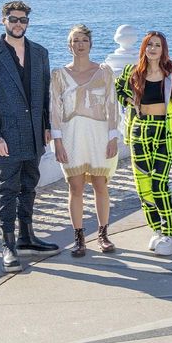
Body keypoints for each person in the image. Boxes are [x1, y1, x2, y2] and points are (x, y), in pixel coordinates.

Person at [0, 0, 59, 272]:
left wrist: (46, 125)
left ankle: (27, 237)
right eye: (13, 19)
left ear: (28, 22)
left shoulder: (40, 53)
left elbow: (45, 94)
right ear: (3, 21)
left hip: (35, 134)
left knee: (30, 186)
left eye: (23, 20)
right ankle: (8, 245)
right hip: (7, 138)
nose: (18, 24)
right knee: (8, 190)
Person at [50, 24, 119, 257]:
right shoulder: (59, 75)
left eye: (83, 40)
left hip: (99, 136)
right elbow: (54, 111)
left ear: (90, 44)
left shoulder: (104, 72)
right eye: (75, 40)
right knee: (75, 187)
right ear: (69, 45)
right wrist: (57, 142)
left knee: (101, 185)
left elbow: (112, 106)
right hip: (71, 137)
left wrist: (113, 138)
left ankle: (103, 234)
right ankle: (79, 238)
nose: (79, 44)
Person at [115, 31, 172, 256]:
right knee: (143, 186)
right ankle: (156, 229)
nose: (153, 48)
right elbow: (117, 89)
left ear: (164, 49)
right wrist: (128, 100)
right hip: (140, 131)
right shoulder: (133, 73)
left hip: (163, 131)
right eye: (149, 45)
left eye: (158, 45)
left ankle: (170, 233)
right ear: (144, 48)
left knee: (159, 184)